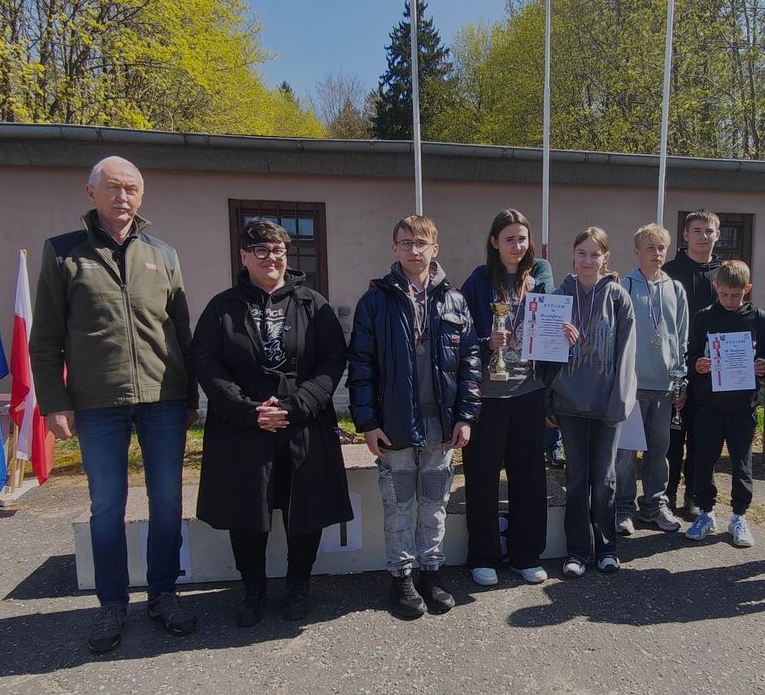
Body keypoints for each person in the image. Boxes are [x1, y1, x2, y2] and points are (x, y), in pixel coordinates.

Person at [30, 156, 198, 653]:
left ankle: (164, 594)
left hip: (163, 399)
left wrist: (189, 396)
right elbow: (46, 338)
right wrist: (54, 402)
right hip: (97, 401)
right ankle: (111, 605)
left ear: (141, 196)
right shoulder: (64, 254)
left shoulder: (163, 254)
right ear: (91, 193)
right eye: (113, 188)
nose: (122, 197)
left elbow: (181, 332)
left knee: (167, 502)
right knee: (107, 507)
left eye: (132, 189)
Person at [192, 219, 353, 627]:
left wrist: (298, 404)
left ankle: (299, 584)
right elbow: (206, 362)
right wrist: (248, 410)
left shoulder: (312, 303)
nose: (272, 258)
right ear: (244, 256)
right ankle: (253, 588)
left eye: (279, 250)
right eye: (261, 251)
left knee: (306, 507)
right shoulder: (221, 306)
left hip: (303, 422)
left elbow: (333, 359)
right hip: (243, 426)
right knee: (248, 507)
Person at [347, 215, 481, 618]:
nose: (414, 250)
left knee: (434, 502)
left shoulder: (455, 301)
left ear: (434, 249)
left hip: (442, 424)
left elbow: (470, 360)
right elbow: (361, 366)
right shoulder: (375, 301)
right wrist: (368, 423)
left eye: (421, 243)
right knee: (399, 502)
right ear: (394, 249)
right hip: (394, 425)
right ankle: (401, 577)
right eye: (406, 243)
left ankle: (432, 573)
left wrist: (467, 415)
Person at [460, 209, 558, 587]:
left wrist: (561, 336)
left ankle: (525, 553)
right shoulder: (479, 282)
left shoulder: (540, 280)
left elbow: (549, 326)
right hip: (488, 394)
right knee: (482, 476)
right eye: (509, 239)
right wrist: (488, 344)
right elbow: (462, 338)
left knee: (529, 476)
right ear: (494, 242)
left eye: (522, 239)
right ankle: (482, 556)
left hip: (528, 392)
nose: (517, 246)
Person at [548, 227, 636, 578]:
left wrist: (620, 401)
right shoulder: (558, 296)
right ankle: (577, 551)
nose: (588, 260)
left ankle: (607, 548)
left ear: (606, 258)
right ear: (572, 253)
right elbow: (543, 354)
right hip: (569, 403)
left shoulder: (618, 297)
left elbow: (627, 353)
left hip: (606, 405)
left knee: (606, 479)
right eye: (582, 253)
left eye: (595, 254)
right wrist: (547, 400)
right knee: (577, 477)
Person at [682, 260, 765, 547]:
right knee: (703, 461)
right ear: (716, 288)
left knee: (741, 463)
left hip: (742, 407)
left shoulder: (759, 318)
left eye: (736, 295)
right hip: (708, 404)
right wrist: (697, 365)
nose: (730, 301)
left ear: (747, 289)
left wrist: (764, 365)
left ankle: (739, 516)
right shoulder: (704, 318)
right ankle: (706, 513)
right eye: (724, 295)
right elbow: (689, 355)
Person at [615, 224, 688, 535]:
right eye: (650, 247)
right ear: (636, 251)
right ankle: (623, 508)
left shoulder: (675, 289)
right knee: (626, 453)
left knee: (660, 450)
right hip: (632, 386)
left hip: (663, 385)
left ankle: (654, 505)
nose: (657, 253)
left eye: (661, 248)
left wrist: (680, 379)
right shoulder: (625, 286)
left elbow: (680, 336)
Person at [662, 209, 721, 517]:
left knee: (704, 439)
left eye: (708, 231)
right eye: (696, 230)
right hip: (676, 368)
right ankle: (665, 496)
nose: (703, 236)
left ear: (717, 235)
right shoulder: (669, 272)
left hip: (712, 371)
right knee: (672, 437)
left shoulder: (724, 274)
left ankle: (696, 496)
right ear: (685, 235)